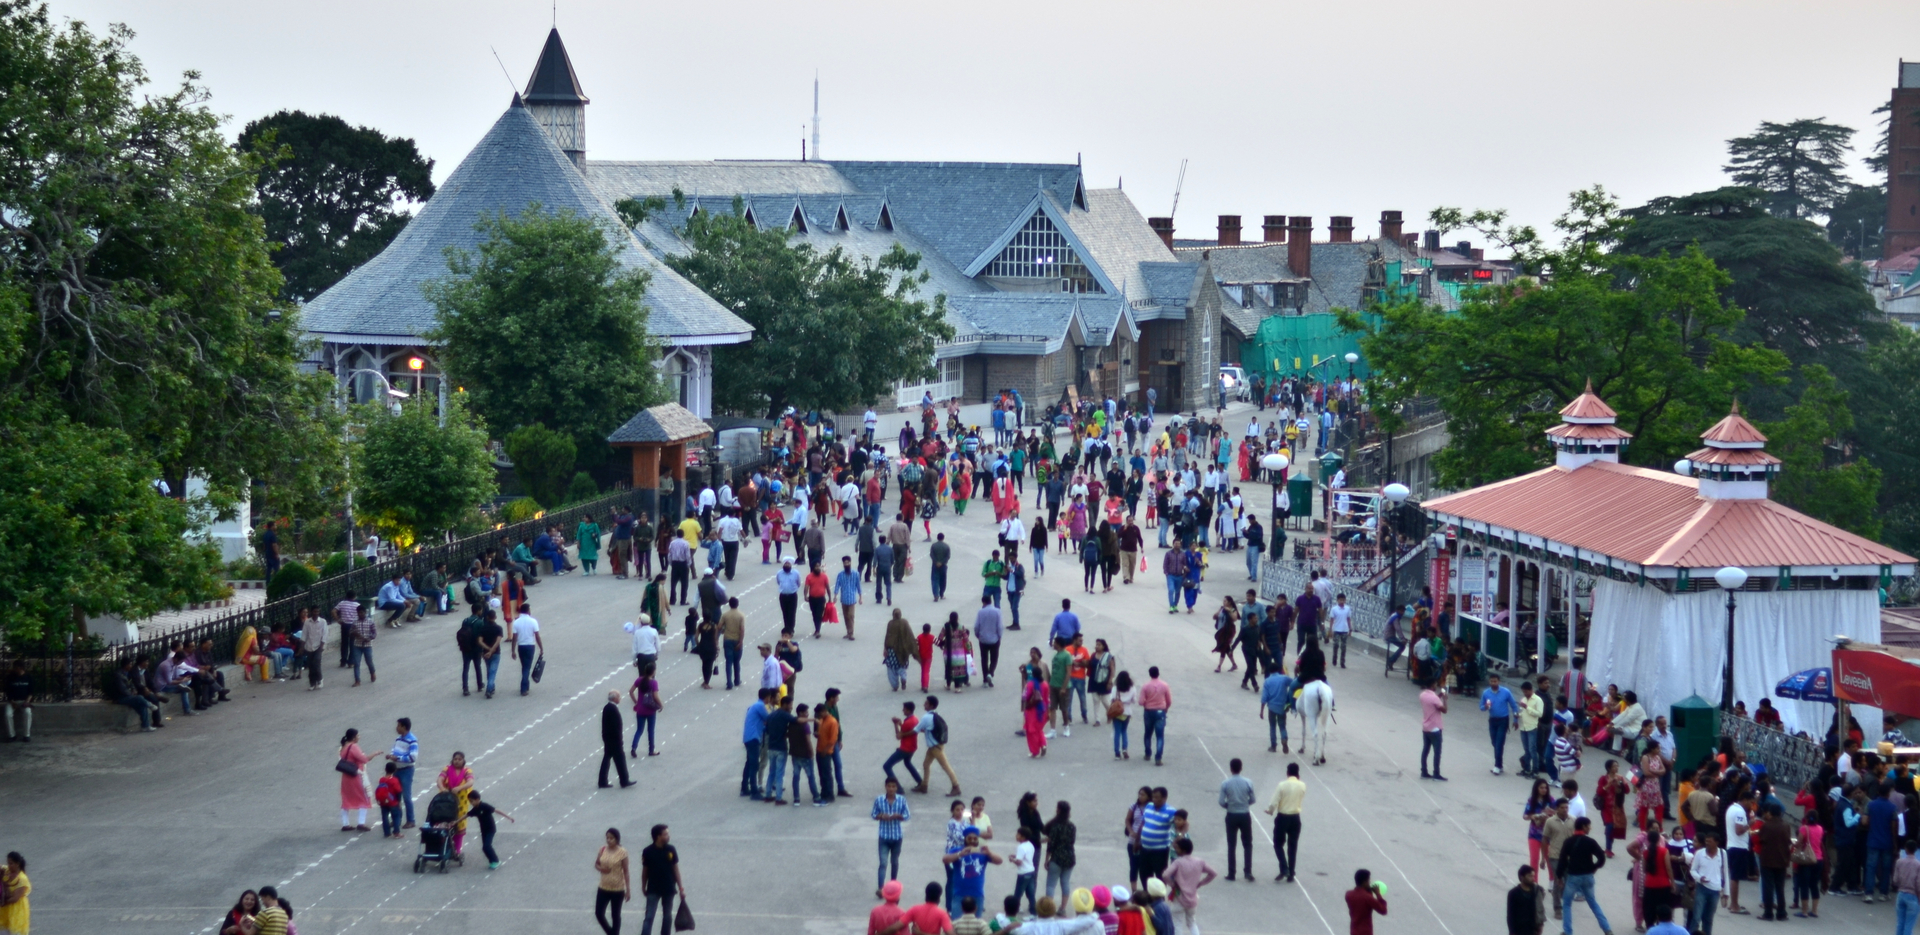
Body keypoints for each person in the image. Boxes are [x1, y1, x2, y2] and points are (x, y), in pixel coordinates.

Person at [1556, 817, 1611, 935]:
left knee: (1566, 904)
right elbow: (1601, 857)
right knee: (1593, 903)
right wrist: (1594, 867)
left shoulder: (1568, 842)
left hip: (1573, 877)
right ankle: (1607, 929)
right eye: (1589, 826)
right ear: (1584, 827)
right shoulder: (1590, 842)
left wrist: (1559, 876)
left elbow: (1562, 861)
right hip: (1588, 877)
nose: (1590, 828)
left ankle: (1568, 931)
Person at [1161, 837, 1217, 934]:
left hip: (1178, 898)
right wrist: (1200, 883)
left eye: (1177, 848)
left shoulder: (1178, 862)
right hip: (1192, 898)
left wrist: (1172, 884)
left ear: (1182, 850)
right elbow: (1213, 873)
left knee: (1177, 923)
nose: (1176, 850)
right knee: (1192, 923)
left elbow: (1165, 875)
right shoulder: (1199, 862)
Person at [638, 824, 685, 935]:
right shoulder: (647, 851)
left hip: (669, 889)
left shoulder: (671, 849)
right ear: (658, 836)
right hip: (653, 889)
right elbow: (645, 871)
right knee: (649, 916)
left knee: (667, 917)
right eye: (665, 834)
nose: (668, 836)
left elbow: (676, 869)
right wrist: (643, 886)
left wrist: (681, 888)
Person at [915, 695, 962, 797]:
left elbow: (916, 730)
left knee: (945, 766)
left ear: (931, 705)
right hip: (935, 747)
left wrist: (902, 730)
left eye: (926, 703)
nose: (924, 704)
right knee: (926, 764)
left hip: (935, 748)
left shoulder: (926, 717)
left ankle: (956, 786)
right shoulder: (935, 715)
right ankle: (924, 785)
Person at [1219, 758, 1256, 881]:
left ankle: (1231, 873)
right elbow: (1253, 799)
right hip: (1245, 815)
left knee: (1231, 845)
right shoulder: (1248, 782)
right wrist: (1245, 804)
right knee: (1247, 844)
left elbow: (1221, 802)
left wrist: (1229, 806)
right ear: (1241, 768)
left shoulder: (1225, 783)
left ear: (1231, 768)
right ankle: (1248, 871)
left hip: (1231, 815)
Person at [873, 777, 911, 897]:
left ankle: (893, 887)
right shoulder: (879, 800)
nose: (891, 789)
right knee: (883, 863)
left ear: (896, 788)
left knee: (894, 862)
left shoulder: (902, 800)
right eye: (889, 786)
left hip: (897, 837)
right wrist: (881, 816)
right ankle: (881, 888)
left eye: (893, 786)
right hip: (883, 836)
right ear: (885, 787)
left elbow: (907, 815)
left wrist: (898, 816)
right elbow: (873, 814)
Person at [437, 751, 476, 856]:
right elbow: (440, 780)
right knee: (444, 823)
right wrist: (442, 788)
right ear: (452, 760)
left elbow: (470, 782)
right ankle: (444, 848)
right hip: (446, 801)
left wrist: (460, 788)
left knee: (459, 825)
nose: (457, 761)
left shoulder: (467, 771)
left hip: (461, 803)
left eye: (459, 759)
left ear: (463, 761)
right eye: (455, 759)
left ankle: (457, 850)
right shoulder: (447, 769)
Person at [1481, 673, 1519, 775]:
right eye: (1492, 681)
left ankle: (1497, 766)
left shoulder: (1506, 692)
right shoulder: (1486, 693)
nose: (1494, 683)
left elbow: (1514, 706)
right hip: (1492, 720)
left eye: (1495, 681)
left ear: (1499, 681)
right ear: (1489, 682)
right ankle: (1500, 764)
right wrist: (1486, 706)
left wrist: (1516, 720)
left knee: (1499, 743)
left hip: (1503, 720)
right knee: (1494, 742)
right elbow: (1481, 707)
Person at [594, 828, 631, 935]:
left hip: (617, 888)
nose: (609, 840)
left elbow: (626, 871)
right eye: (607, 838)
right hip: (603, 887)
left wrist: (628, 890)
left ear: (617, 839)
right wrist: (601, 869)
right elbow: (596, 863)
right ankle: (611, 933)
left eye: (611, 838)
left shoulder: (622, 852)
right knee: (599, 913)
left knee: (615, 915)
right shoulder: (602, 849)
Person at [1689, 831, 1726, 935]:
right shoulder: (1699, 853)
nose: (1707, 843)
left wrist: (1726, 893)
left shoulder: (1723, 854)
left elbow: (1725, 873)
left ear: (1717, 842)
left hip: (1715, 891)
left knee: (1708, 920)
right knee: (1696, 918)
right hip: (1702, 888)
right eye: (1706, 841)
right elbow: (1693, 870)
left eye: (1710, 841)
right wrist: (1700, 878)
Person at [466, 789, 513, 869]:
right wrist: (455, 822)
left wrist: (509, 817)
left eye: (471, 801)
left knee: (486, 846)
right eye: (470, 801)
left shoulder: (484, 806)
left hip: (490, 829)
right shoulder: (475, 809)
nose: (471, 803)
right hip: (483, 830)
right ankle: (492, 861)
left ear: (477, 800)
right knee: (484, 848)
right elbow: (467, 815)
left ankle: (496, 861)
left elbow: (496, 810)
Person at [386, 718, 420, 828]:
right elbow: (394, 750)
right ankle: (397, 818)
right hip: (397, 770)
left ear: (404, 727)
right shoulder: (398, 739)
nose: (397, 728)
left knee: (406, 796)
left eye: (399, 726)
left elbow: (413, 757)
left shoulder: (412, 740)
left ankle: (411, 820)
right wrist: (391, 755)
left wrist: (398, 758)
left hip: (406, 770)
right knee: (395, 796)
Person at [1042, 800, 1077, 908]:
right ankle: (1063, 908)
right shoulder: (1072, 826)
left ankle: (1049, 908)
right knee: (1065, 883)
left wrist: (1046, 859)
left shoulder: (1055, 826)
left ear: (1059, 810)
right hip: (1070, 857)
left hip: (1056, 858)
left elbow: (1051, 844)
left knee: (1051, 885)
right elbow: (1072, 842)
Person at [599, 690, 637, 789]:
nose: (620, 699)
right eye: (619, 697)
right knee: (620, 759)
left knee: (607, 758)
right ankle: (624, 780)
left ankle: (602, 781)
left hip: (608, 738)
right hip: (614, 740)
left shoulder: (607, 707)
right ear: (615, 698)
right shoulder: (612, 709)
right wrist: (619, 739)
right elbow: (615, 727)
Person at [884, 700, 924, 790]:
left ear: (909, 711)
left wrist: (895, 725)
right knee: (907, 763)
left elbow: (899, 736)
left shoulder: (907, 722)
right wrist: (900, 724)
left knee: (887, 766)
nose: (903, 711)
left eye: (904, 709)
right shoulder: (914, 719)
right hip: (912, 747)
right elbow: (907, 730)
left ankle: (898, 788)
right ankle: (920, 782)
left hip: (905, 748)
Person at [338, 727, 372, 831]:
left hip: (345, 777)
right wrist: (374, 754)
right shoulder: (354, 747)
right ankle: (361, 823)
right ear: (353, 737)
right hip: (356, 776)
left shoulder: (343, 747)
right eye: (358, 735)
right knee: (364, 797)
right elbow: (364, 759)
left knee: (346, 799)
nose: (359, 737)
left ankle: (345, 823)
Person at [1260, 667, 1296, 754]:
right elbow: (1293, 684)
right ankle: (1284, 738)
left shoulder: (1267, 681)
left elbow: (1264, 697)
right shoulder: (1284, 678)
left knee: (1272, 726)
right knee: (1282, 726)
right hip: (1282, 707)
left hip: (1272, 707)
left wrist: (1261, 711)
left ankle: (1273, 746)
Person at [1140, 667, 1171, 765]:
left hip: (1149, 711)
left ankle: (1148, 753)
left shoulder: (1145, 686)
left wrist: (1146, 703)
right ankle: (1158, 758)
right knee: (1160, 736)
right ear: (1158, 673)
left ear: (1150, 674)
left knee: (1148, 733)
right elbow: (1169, 701)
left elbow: (1141, 702)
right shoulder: (1165, 685)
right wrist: (1165, 709)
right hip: (1160, 711)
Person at [1420, 681, 1449, 780]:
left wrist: (1439, 696)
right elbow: (1444, 710)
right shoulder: (1434, 698)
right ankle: (1436, 773)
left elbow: (1432, 702)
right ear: (1432, 685)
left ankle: (1424, 771)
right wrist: (1445, 699)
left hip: (1426, 727)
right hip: (1435, 727)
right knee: (1437, 752)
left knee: (1425, 750)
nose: (1436, 686)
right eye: (1436, 685)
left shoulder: (1423, 695)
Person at [1345, 869, 1387, 935]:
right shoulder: (1367, 897)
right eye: (1368, 881)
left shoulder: (1348, 894)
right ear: (1364, 882)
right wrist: (1378, 894)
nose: (1369, 883)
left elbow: (1360, 898)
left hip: (1354, 931)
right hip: (1365, 932)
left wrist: (1368, 892)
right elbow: (1383, 910)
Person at [1508, 865, 1547, 935]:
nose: (1533, 878)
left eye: (1533, 876)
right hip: (1519, 930)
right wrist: (1512, 932)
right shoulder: (1513, 893)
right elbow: (1510, 916)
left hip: (1533, 930)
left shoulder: (1536, 891)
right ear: (1522, 877)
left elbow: (1540, 908)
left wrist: (1541, 925)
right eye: (1529, 876)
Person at [4, 661, 34, 743]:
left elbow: (31, 692)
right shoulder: (10, 677)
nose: (14, 669)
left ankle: (26, 735)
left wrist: (26, 702)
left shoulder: (28, 677)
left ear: (20, 668)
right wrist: (12, 702)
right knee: (7, 714)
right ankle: (11, 735)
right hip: (12, 701)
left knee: (28, 713)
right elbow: (7, 691)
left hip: (24, 701)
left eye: (16, 668)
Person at [1, 852, 29, 935]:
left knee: (14, 932)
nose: (9, 866)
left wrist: (2, 901)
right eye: (8, 863)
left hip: (16, 911)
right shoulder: (6, 871)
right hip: (4, 909)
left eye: (11, 863)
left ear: (17, 864)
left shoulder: (22, 879)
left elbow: (15, 899)